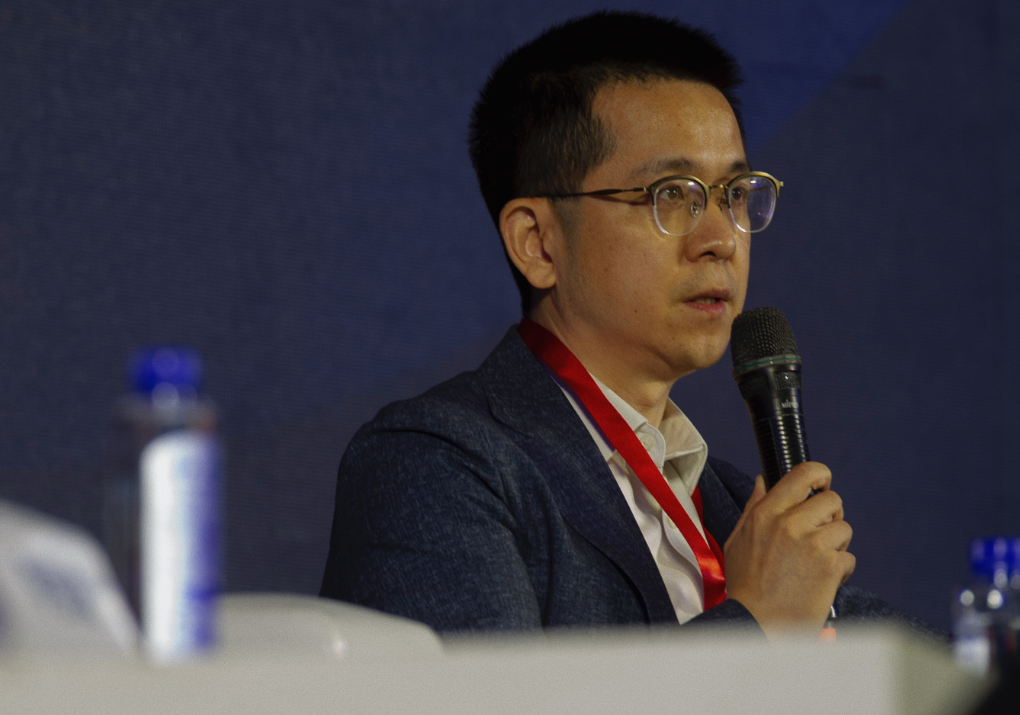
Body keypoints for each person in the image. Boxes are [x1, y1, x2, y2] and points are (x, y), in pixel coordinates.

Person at [320, 11, 936, 637]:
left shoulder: (731, 509)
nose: (721, 238)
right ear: (538, 242)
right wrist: (755, 624)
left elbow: (930, 668)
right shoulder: (435, 464)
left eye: (733, 194)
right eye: (671, 194)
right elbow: (487, 691)